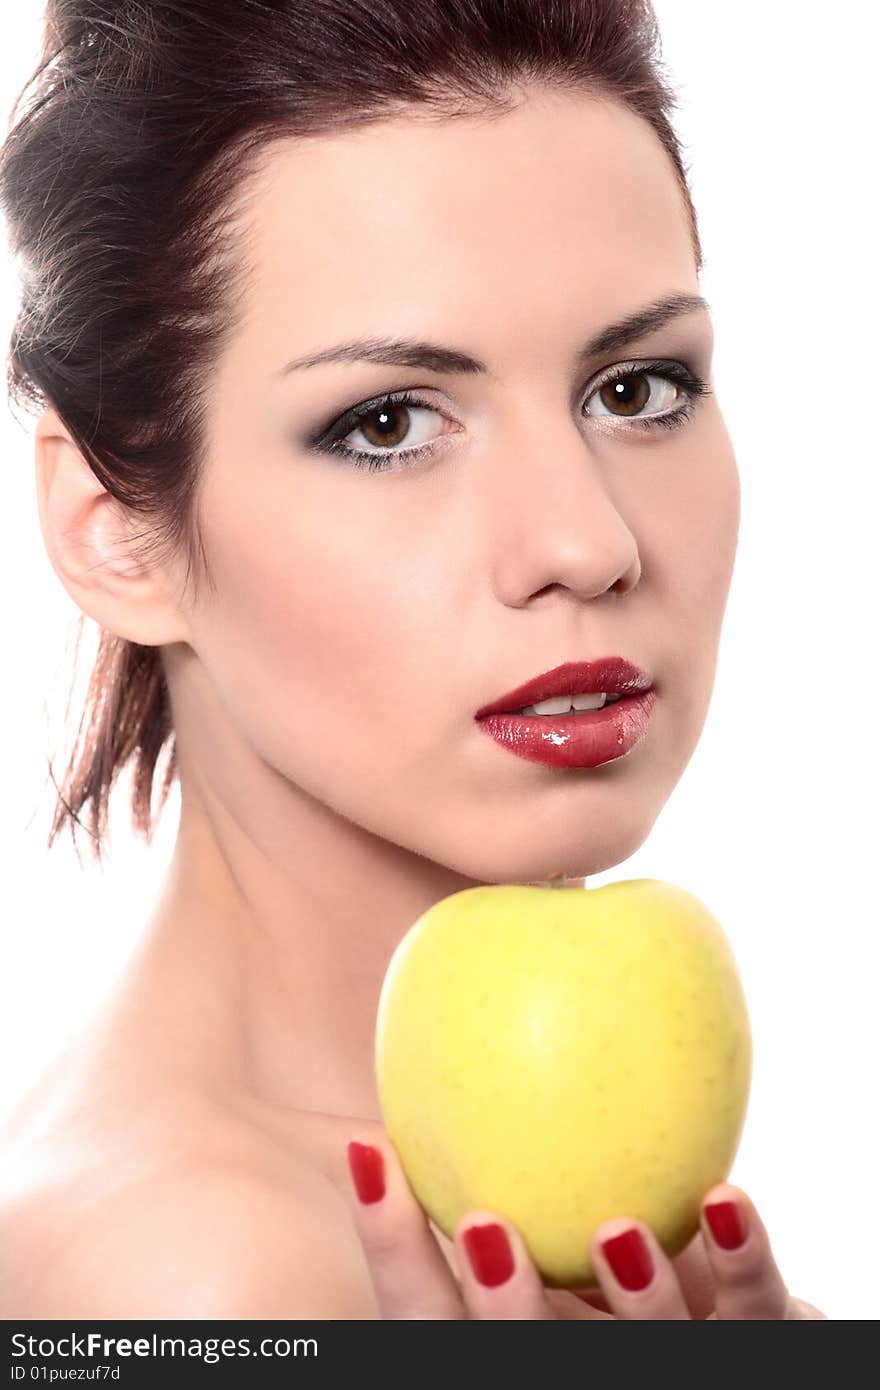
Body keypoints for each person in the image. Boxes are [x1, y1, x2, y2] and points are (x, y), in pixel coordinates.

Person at [0, 0, 826, 1319]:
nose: (587, 540)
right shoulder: (210, 1279)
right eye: (387, 421)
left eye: (637, 388)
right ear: (117, 532)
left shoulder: (454, 1179)